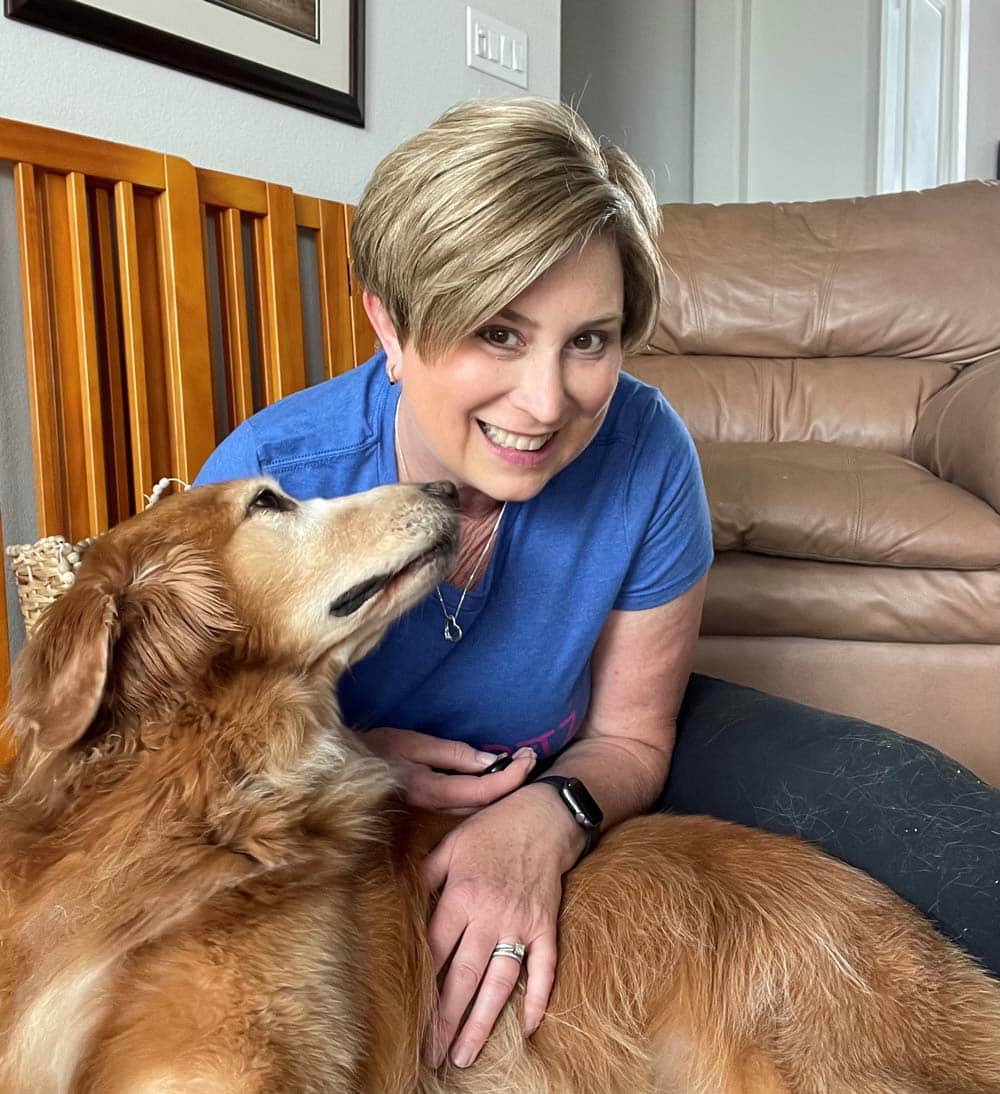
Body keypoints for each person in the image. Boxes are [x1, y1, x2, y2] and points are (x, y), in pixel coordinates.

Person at [195, 96, 1000, 1069]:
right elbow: (198, 777)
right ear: (391, 326)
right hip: (354, 823)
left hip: (578, 752)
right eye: (497, 331)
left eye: (589, 340)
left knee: (937, 825)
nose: (545, 403)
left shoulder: (646, 449)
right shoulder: (270, 486)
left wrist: (551, 816)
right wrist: (345, 765)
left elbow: (629, 733)